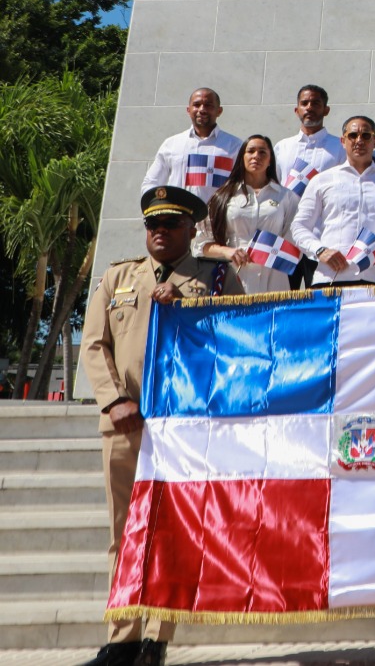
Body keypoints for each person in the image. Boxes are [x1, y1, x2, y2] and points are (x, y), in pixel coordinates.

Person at [80, 186, 243, 666]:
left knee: (170, 532)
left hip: (183, 426)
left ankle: (156, 638)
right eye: (153, 223)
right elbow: (94, 344)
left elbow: (238, 339)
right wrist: (114, 402)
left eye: (170, 224)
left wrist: (190, 309)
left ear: (192, 229)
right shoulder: (118, 277)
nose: (160, 232)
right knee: (124, 532)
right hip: (125, 424)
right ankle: (121, 638)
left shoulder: (215, 277)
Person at [289, 115, 375, 286]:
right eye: (352, 136)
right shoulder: (322, 180)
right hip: (330, 278)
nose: (359, 140)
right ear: (343, 141)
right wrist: (320, 250)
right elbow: (299, 226)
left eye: (365, 136)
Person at [197, 134, 297, 295]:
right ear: (242, 157)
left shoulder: (286, 196)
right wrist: (226, 251)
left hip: (273, 275)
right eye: (251, 151)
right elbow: (202, 244)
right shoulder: (222, 197)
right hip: (232, 274)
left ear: (270, 160)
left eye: (262, 152)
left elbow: (294, 238)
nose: (256, 156)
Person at [139, 88, 244, 203]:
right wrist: (161, 207)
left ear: (219, 111)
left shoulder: (235, 146)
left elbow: (244, 187)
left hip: (216, 219)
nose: (202, 109)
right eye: (197, 105)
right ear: (188, 110)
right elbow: (151, 183)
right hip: (177, 218)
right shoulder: (172, 144)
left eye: (208, 105)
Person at [272, 84, 345, 197]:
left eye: (315, 103)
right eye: (304, 103)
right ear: (297, 110)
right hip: (286, 213)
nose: (309, 108)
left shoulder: (340, 147)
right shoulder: (282, 147)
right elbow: (272, 185)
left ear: (326, 110)